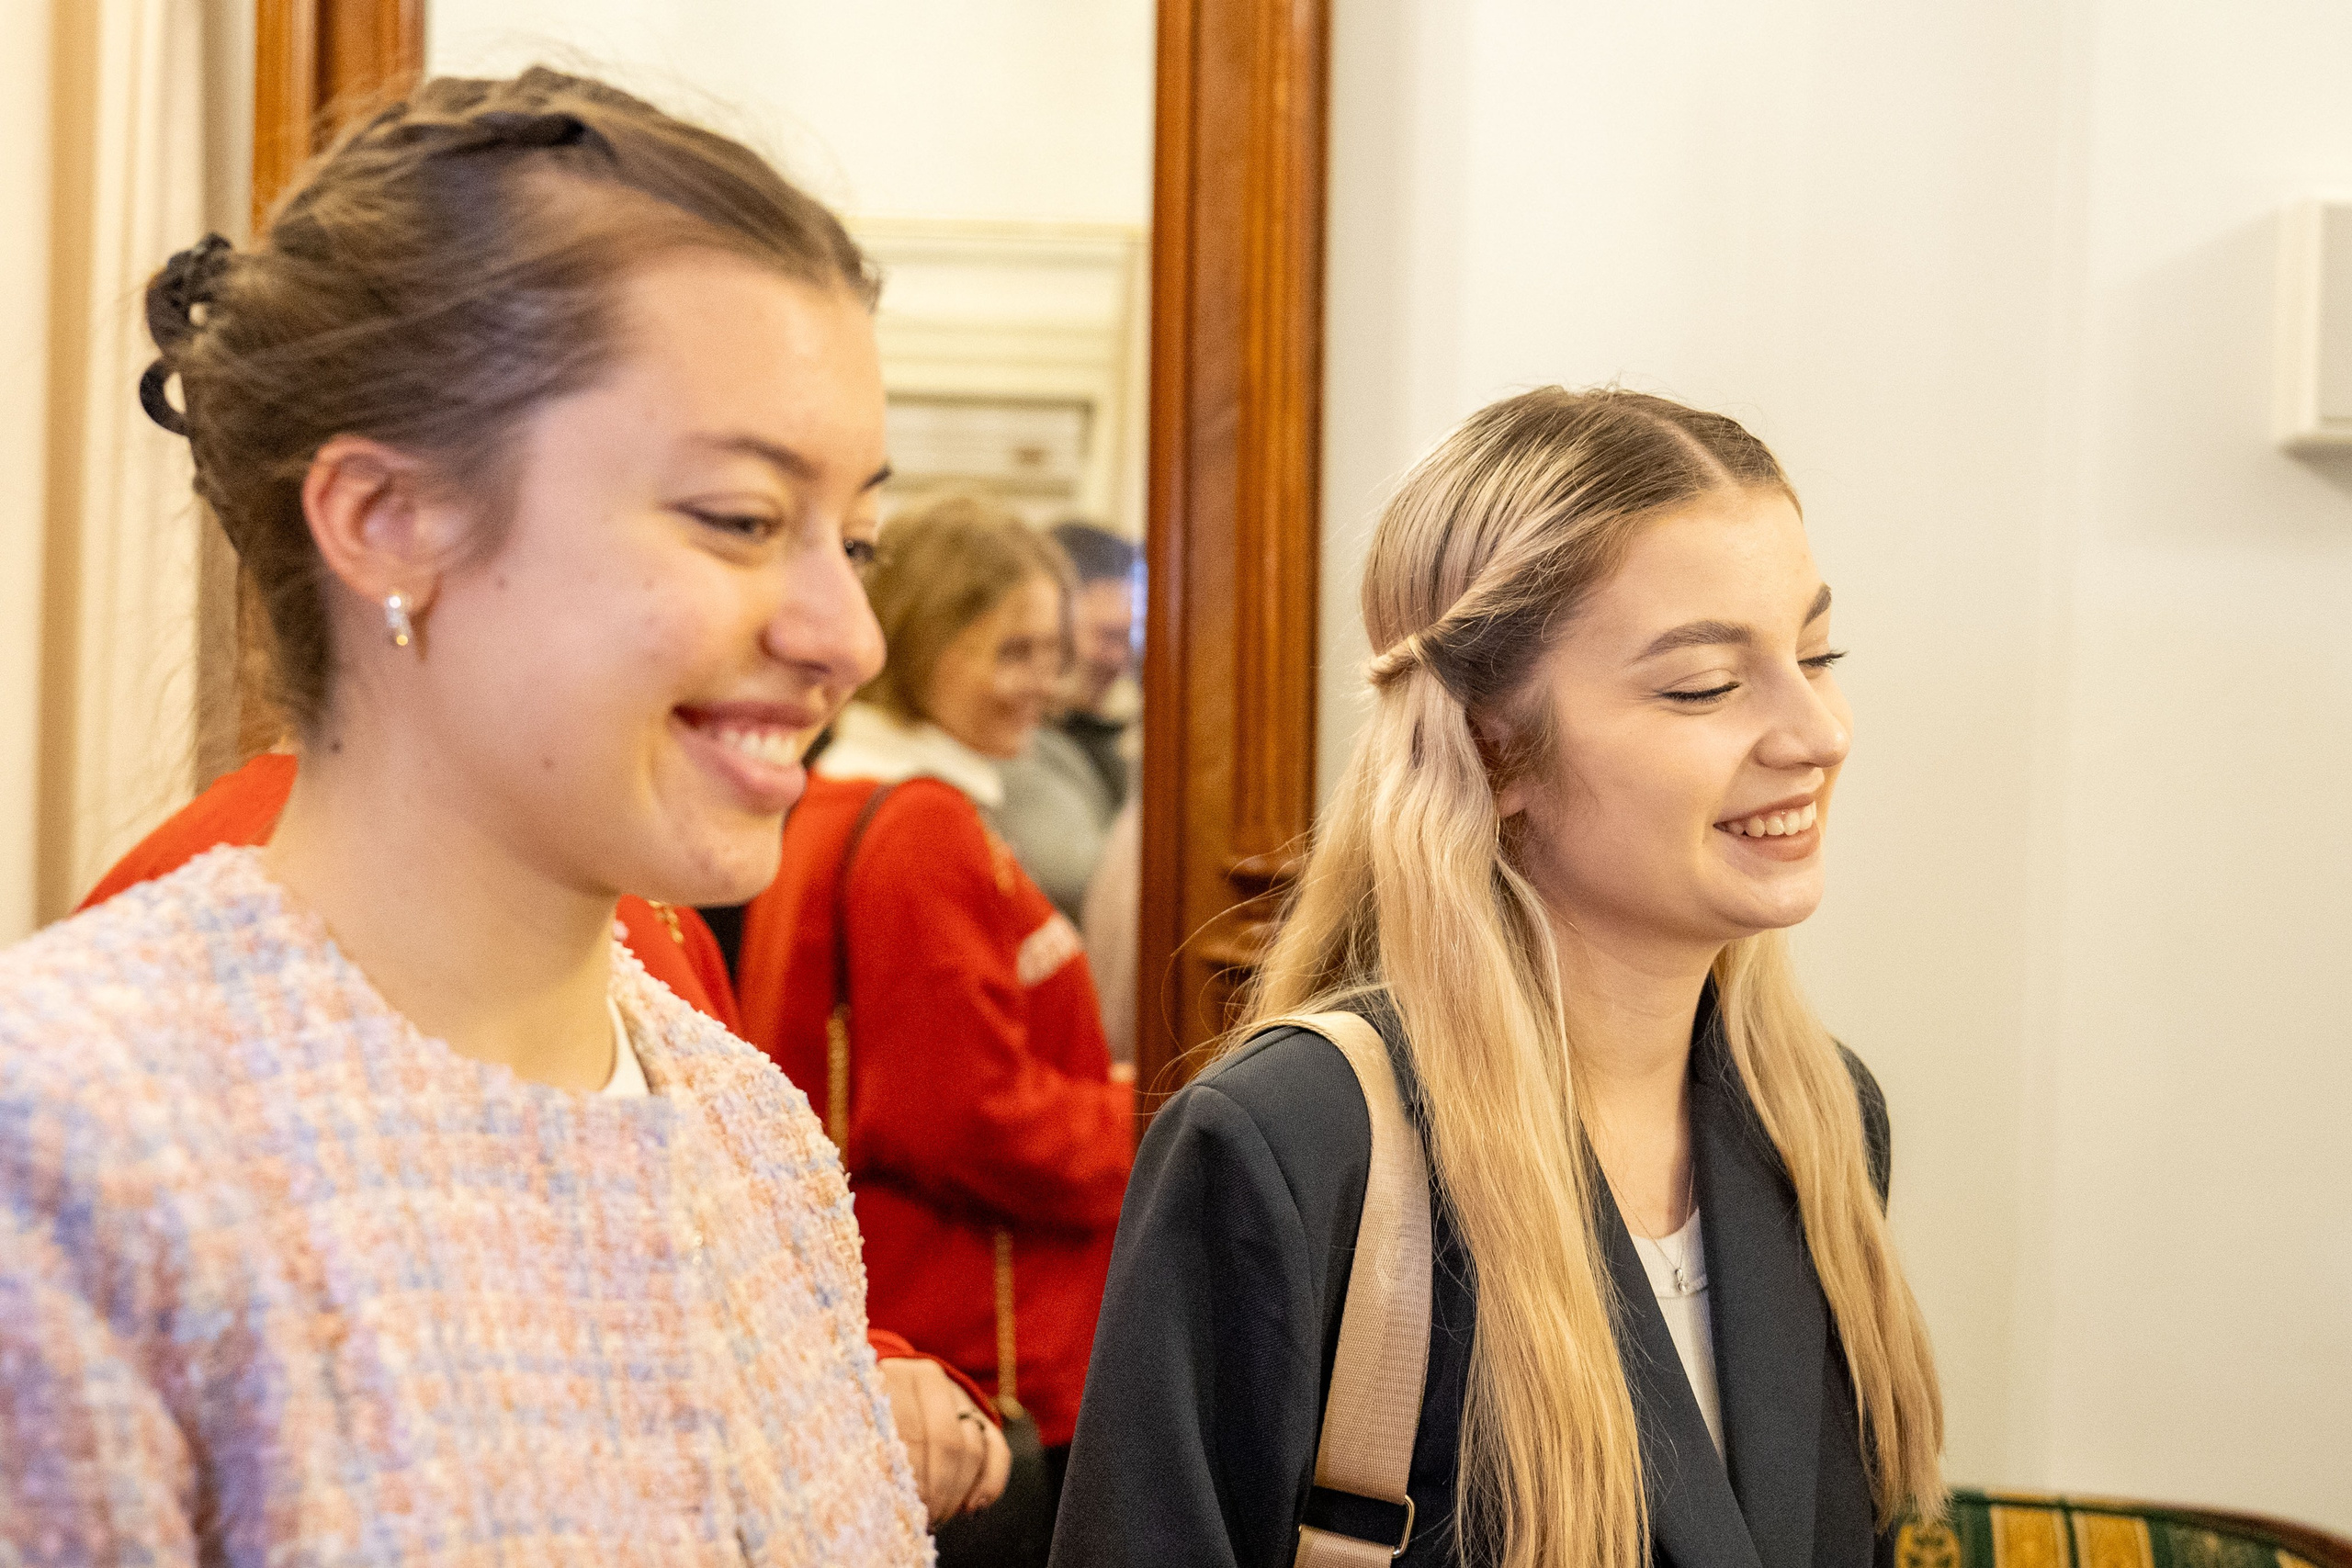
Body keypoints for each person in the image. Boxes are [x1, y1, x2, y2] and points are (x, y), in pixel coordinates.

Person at [0, 67, 1004, 1562]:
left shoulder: (753, 1140)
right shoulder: (79, 1137)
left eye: (855, 540)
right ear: (388, 521)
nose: (847, 638)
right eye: (741, 518)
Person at [1051, 389, 1946, 1568]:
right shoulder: (1295, 1146)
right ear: (1491, 744)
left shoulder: (1818, 1122)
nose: (1817, 732)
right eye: (1704, 684)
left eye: (1815, 655)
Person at [73, 745, 1012, 1501]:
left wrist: (859, 1372)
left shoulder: (644, 926)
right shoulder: (241, 915)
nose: (843, 645)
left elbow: (720, 1267)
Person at [737, 495, 1136, 1547]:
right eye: (1012, 652)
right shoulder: (920, 826)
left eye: (1050, 653)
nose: (1042, 684)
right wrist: (1144, 1119)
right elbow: (960, 1114)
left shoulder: (846, 799)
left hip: (921, 1314)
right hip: (968, 1339)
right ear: (923, 640)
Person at [994, 521, 1138, 922]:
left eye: (1128, 638)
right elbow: (1091, 881)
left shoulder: (1106, 734)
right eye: (1106, 636)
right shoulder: (1017, 746)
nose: (1118, 660)